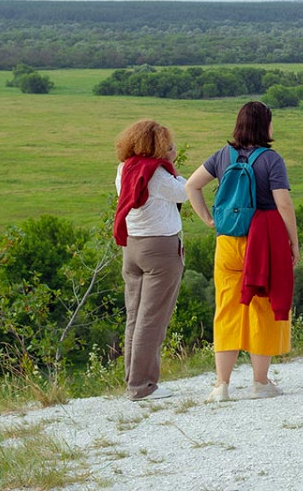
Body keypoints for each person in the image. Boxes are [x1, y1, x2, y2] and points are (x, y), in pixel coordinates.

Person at [184, 101, 300, 401]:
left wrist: (210, 220)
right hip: (261, 244)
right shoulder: (271, 160)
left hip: (227, 241)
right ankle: (260, 383)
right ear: (265, 125)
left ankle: (221, 385)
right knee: (262, 307)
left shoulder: (223, 155)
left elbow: (192, 186)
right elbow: (283, 204)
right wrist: (293, 243)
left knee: (226, 309)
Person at [113, 119, 187, 401]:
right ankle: (143, 386)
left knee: (135, 317)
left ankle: (133, 379)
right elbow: (185, 191)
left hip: (131, 246)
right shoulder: (157, 174)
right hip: (160, 248)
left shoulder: (124, 169)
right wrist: (172, 162)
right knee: (153, 319)